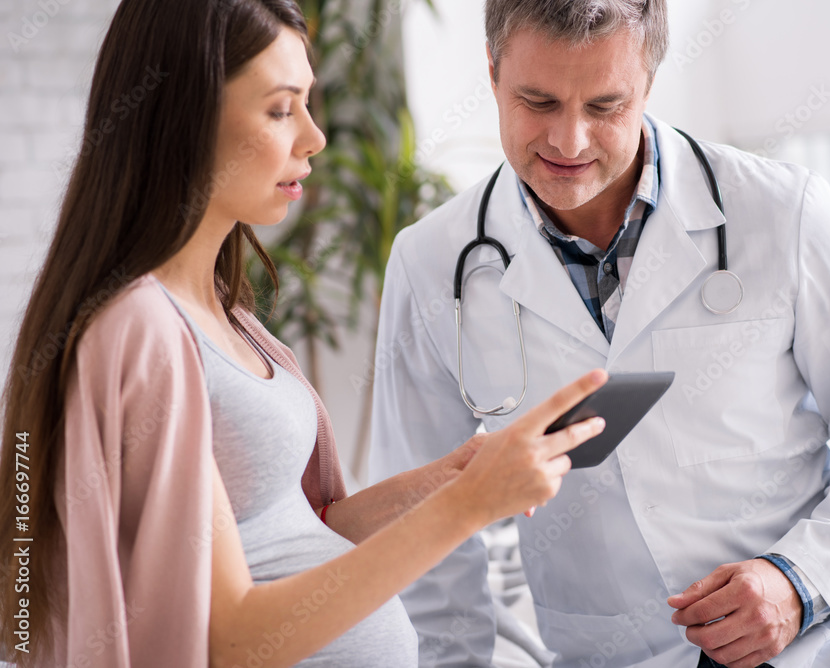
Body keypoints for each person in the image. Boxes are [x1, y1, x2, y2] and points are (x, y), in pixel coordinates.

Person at [0, 1, 610, 666]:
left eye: (308, 103)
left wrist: (454, 476)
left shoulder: (230, 318)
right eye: (280, 108)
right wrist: (466, 505)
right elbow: (230, 639)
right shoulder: (142, 329)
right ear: (183, 116)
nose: (315, 137)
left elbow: (296, 534)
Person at [368, 1, 830, 666]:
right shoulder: (432, 263)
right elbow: (418, 524)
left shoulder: (780, 211)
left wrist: (800, 580)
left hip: (828, 640)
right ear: (493, 69)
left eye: (605, 106)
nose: (569, 141)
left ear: (648, 80)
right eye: (537, 101)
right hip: (615, 650)